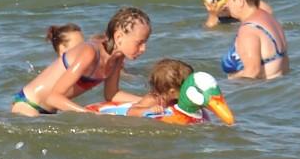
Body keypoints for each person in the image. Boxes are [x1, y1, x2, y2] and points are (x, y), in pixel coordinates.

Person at [11, 8, 152, 116]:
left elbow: (112, 94)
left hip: (50, 112)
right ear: (119, 37)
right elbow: (53, 98)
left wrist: (148, 101)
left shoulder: (117, 59)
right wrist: (90, 115)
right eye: (140, 42)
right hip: (28, 106)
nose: (144, 49)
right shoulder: (89, 53)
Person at [220, 0, 288, 79]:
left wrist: (229, 81)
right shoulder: (270, 19)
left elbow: (252, 72)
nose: (227, 4)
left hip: (265, 88)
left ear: (240, 1)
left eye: (228, 0)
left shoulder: (248, 30)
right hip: (281, 85)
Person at [92, 58, 194, 118]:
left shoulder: (176, 99)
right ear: (172, 92)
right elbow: (131, 111)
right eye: (188, 87)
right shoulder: (153, 100)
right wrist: (148, 110)